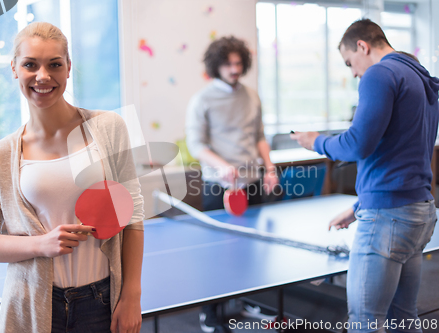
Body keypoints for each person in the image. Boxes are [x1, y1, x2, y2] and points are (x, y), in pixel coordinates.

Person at [0, 22, 144, 333]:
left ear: (68, 68)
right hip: (34, 302)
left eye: (54, 65)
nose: (43, 76)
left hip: (101, 302)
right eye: (30, 65)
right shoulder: (1, 154)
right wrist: (41, 244)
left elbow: (133, 217)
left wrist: (131, 295)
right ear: (13, 68)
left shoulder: (109, 127)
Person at [291, 19, 439, 333]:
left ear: (362, 46)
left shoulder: (380, 74)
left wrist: (315, 141)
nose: (354, 72)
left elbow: (358, 143)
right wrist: (360, 206)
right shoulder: (418, 77)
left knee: (365, 322)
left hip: (388, 219)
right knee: (403, 318)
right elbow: (402, 157)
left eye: (349, 63)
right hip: (419, 212)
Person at [186, 36, 279, 333]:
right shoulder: (202, 100)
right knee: (217, 253)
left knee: (248, 249)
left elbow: (260, 137)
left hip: (251, 183)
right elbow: (196, 145)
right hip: (219, 186)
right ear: (217, 66)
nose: (235, 69)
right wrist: (222, 166)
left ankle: (244, 300)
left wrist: (269, 168)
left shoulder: (252, 96)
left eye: (239, 63)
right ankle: (209, 313)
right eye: (228, 64)